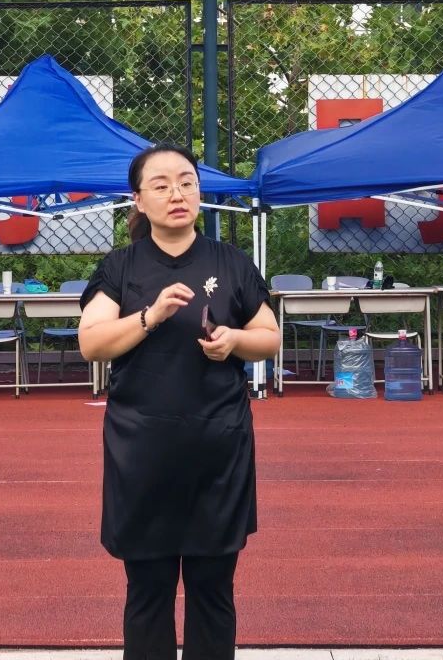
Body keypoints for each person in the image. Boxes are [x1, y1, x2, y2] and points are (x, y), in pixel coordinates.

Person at [78, 142, 281, 660]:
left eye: (187, 182)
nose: (177, 194)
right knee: (148, 590)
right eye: (162, 185)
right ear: (138, 200)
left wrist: (235, 340)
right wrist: (150, 316)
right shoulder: (120, 266)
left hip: (219, 448)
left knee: (213, 589)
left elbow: (270, 337)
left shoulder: (231, 262)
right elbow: (91, 343)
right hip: (142, 451)